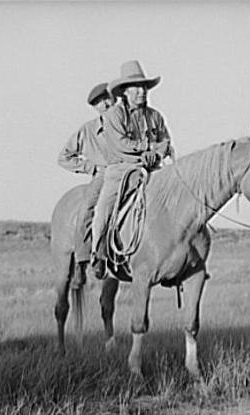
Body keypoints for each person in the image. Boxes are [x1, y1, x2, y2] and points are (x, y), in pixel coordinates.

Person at [91, 60, 175, 278]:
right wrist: (148, 147)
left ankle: (178, 257)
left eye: (144, 87)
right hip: (122, 171)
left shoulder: (155, 116)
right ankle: (98, 253)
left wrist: (156, 154)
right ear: (124, 92)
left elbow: (166, 141)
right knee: (103, 210)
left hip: (152, 169)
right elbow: (121, 144)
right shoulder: (114, 116)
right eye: (136, 87)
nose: (141, 92)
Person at [58, 82, 114, 288]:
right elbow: (64, 157)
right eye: (100, 102)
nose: (106, 104)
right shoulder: (88, 130)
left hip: (130, 172)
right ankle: (83, 262)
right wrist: (90, 167)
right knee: (86, 212)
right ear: (95, 107)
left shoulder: (127, 123)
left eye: (107, 98)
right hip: (104, 175)